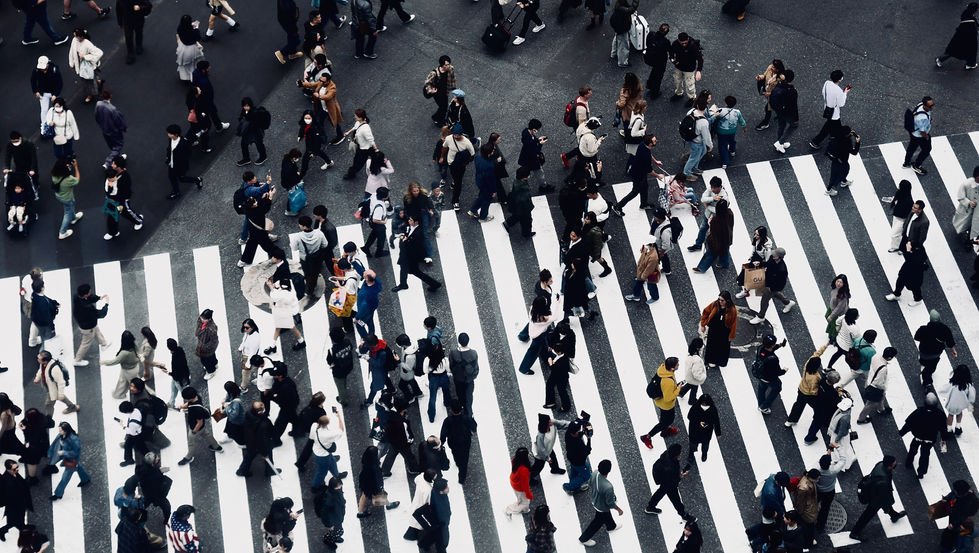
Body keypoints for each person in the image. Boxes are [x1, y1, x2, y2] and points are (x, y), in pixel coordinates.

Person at [848, 455, 907, 540]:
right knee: (867, 515)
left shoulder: (880, 464)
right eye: (894, 463)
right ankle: (854, 533)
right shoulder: (884, 481)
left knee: (887, 504)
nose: (896, 464)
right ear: (890, 466)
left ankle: (894, 516)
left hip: (875, 491)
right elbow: (883, 498)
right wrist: (886, 508)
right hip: (876, 499)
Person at [900, 392, 950, 478]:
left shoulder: (919, 411)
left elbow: (909, 423)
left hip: (918, 436)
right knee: (925, 455)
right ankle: (921, 472)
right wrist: (943, 443)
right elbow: (943, 430)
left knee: (912, 449)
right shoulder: (940, 414)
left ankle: (909, 462)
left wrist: (902, 432)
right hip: (929, 439)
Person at [578, 459, 623, 546]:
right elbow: (610, 503)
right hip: (601, 506)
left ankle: (611, 526)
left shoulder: (595, 473)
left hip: (595, 500)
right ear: (609, 471)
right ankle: (584, 538)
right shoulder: (608, 487)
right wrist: (619, 510)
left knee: (606, 515)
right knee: (598, 522)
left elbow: (590, 483)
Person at [391, 215, 442, 292]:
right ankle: (403, 284)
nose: (409, 221)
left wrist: (405, 240)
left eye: (411, 220)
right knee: (404, 269)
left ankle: (434, 284)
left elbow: (414, 246)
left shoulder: (418, 233)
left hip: (410, 256)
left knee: (415, 272)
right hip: (406, 254)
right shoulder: (411, 227)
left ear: (416, 222)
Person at [646, 444, 696, 521]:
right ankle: (684, 515)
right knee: (676, 500)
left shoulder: (666, 455)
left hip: (663, 478)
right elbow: (674, 479)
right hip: (669, 483)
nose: (680, 453)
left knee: (661, 492)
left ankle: (650, 507)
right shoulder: (671, 467)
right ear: (676, 455)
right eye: (679, 452)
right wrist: (681, 476)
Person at [640, 357, 682, 448]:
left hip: (659, 401)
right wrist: (678, 389)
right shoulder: (668, 382)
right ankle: (648, 437)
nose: (679, 365)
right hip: (666, 405)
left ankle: (665, 431)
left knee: (665, 419)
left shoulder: (662, 369)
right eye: (677, 365)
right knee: (667, 420)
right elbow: (668, 398)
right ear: (672, 368)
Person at [176, 386, 222, 466]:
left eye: (185, 398)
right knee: (207, 434)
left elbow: (199, 422)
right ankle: (216, 447)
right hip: (201, 427)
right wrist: (182, 406)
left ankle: (188, 457)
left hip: (195, 427)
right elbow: (189, 404)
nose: (185, 400)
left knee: (191, 443)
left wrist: (194, 431)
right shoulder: (197, 397)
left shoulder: (195, 410)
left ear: (189, 398)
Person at [912, 310, 957, 386]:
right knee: (932, 365)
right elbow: (950, 342)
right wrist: (953, 350)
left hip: (924, 352)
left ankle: (925, 373)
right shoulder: (945, 329)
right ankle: (929, 372)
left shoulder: (923, 329)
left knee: (923, 362)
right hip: (936, 353)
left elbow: (916, 338)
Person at [808, 69, 851, 149]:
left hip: (827, 107)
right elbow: (841, 104)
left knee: (830, 124)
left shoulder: (827, 83)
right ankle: (816, 141)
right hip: (834, 113)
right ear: (840, 79)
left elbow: (823, 93)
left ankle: (832, 135)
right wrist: (845, 93)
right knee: (830, 126)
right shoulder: (838, 91)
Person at [237, 402, 280, 477]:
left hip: (250, 442)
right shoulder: (263, 424)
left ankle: (242, 470)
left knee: (249, 456)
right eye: (262, 406)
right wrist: (264, 453)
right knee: (268, 456)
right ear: (259, 412)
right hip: (258, 444)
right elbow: (263, 440)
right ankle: (269, 471)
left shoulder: (249, 414)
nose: (264, 406)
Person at [34, 350, 80, 419]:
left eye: (39, 359)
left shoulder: (55, 369)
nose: (37, 360)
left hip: (53, 388)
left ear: (45, 361)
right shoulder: (43, 364)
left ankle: (49, 420)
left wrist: (60, 393)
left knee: (48, 405)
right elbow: (41, 370)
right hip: (50, 386)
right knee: (59, 397)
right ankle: (72, 407)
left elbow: (61, 382)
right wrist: (37, 378)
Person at [357, 445, 400, 517]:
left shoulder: (366, 460)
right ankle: (388, 505)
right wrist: (380, 487)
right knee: (380, 494)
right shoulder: (374, 467)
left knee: (364, 495)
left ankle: (360, 512)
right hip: (373, 485)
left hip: (365, 482)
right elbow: (377, 479)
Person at [856, 346, 896, 424]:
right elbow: (878, 383)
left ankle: (881, 410)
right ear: (889, 358)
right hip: (874, 388)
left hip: (869, 380)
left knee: (881, 398)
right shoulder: (883, 369)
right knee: (869, 405)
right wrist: (883, 388)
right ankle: (861, 419)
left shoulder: (876, 356)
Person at [692, 199, 733, 272]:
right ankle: (724, 264)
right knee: (725, 251)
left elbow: (712, 230)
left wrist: (709, 223)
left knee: (710, 253)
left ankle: (701, 267)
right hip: (727, 237)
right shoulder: (730, 213)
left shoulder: (716, 220)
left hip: (717, 240)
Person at [699, 291, 737, 368]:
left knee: (722, 347)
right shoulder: (715, 304)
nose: (720, 302)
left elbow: (733, 324)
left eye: (722, 300)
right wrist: (703, 324)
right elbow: (706, 311)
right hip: (714, 329)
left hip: (724, 332)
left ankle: (719, 361)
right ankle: (711, 360)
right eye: (719, 299)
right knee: (711, 346)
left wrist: (731, 335)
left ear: (727, 301)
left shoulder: (732, 310)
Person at [685, 393, 720, 472]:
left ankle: (704, 454)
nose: (704, 403)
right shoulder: (696, 407)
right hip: (695, 430)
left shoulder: (713, 409)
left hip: (705, 432)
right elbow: (689, 416)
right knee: (693, 445)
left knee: (705, 445)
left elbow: (716, 421)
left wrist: (718, 433)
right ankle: (691, 456)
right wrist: (699, 422)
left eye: (705, 402)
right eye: (703, 402)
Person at [937, 3, 978, 69]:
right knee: (972, 50)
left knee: (953, 50)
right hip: (968, 38)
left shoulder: (965, 13)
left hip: (959, 36)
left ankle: (940, 59)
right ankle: (970, 64)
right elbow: (973, 30)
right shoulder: (971, 21)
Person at [0, 460, 33, 541]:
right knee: (12, 523)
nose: (17, 470)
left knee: (20, 519)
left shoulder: (14, 474)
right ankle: (2, 531)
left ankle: (23, 526)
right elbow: (8, 497)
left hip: (20, 504)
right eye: (14, 469)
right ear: (8, 470)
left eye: (17, 467)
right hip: (14, 507)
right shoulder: (7, 481)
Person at [754, 334, 787, 414]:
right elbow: (777, 372)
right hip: (770, 379)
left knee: (761, 389)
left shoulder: (760, 348)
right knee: (777, 388)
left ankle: (760, 404)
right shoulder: (774, 359)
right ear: (772, 345)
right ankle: (764, 406)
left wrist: (779, 345)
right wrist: (784, 370)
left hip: (760, 375)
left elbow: (770, 349)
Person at [31, 57, 64, 135]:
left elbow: (60, 83)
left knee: (58, 108)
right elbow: (33, 81)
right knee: (44, 110)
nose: (42, 69)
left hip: (53, 93)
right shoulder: (36, 71)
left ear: (47, 65)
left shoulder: (55, 70)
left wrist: (55, 94)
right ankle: (44, 126)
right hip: (43, 93)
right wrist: (36, 91)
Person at [669, 32, 703, 107]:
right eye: (682, 43)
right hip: (679, 66)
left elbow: (700, 59)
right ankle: (679, 93)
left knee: (690, 84)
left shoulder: (693, 46)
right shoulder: (676, 43)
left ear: (688, 39)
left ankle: (692, 97)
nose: (684, 44)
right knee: (677, 81)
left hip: (689, 69)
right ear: (679, 41)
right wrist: (672, 58)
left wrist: (698, 71)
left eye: (685, 43)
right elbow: (671, 51)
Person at [824, 125, 860, 196]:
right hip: (842, 161)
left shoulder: (836, 137)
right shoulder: (847, 142)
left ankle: (840, 183)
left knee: (833, 174)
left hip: (835, 159)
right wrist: (857, 143)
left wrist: (849, 134)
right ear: (847, 134)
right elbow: (854, 152)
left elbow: (842, 138)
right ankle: (833, 188)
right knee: (844, 172)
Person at [136, 451, 173, 520]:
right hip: (157, 495)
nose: (158, 458)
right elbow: (159, 485)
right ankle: (166, 520)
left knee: (143, 505)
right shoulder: (156, 474)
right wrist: (159, 471)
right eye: (156, 458)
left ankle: (136, 515)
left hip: (147, 493)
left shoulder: (140, 468)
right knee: (167, 507)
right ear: (153, 463)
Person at [903, 96, 935, 175]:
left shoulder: (920, 105)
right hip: (919, 136)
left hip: (913, 132)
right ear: (924, 105)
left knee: (912, 147)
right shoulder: (922, 118)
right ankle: (917, 165)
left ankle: (907, 162)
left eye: (933, 104)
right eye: (930, 106)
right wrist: (926, 137)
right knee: (927, 149)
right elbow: (922, 131)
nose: (932, 107)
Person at [269, 367, 301, 444]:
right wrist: (275, 395)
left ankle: (276, 441)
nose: (273, 376)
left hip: (287, 406)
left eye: (275, 375)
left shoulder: (287, 387)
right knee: (294, 418)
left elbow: (279, 398)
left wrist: (275, 396)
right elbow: (274, 389)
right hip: (289, 405)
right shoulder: (279, 380)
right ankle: (297, 432)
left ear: (280, 376)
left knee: (280, 424)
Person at [503, 166, 535, 237]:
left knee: (517, 216)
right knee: (527, 221)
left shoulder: (517, 181)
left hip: (517, 206)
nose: (529, 176)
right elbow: (524, 201)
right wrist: (529, 209)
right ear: (524, 177)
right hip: (523, 208)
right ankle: (526, 234)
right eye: (528, 175)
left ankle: (508, 223)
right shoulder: (523, 188)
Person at [315, 476, 346, 550]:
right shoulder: (328, 499)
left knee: (338, 530)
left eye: (340, 485)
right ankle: (328, 540)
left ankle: (334, 538)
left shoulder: (337, 490)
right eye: (337, 486)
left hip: (338, 515)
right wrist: (329, 524)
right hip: (333, 519)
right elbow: (324, 514)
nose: (339, 487)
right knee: (336, 531)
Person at [563, 419, 592, 493]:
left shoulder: (568, 434)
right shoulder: (577, 444)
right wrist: (589, 438)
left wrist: (583, 422)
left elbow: (577, 422)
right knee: (587, 475)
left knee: (575, 471)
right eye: (577, 431)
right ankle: (569, 486)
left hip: (572, 458)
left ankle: (575, 484)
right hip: (579, 462)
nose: (579, 432)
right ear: (574, 433)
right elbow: (587, 451)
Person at [946, 365, 976, 436]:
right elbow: (971, 395)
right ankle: (958, 427)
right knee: (959, 413)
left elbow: (946, 389)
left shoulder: (953, 383)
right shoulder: (968, 386)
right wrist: (970, 402)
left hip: (952, 404)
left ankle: (949, 429)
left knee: (951, 415)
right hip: (961, 404)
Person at [504, 447, 534, 517]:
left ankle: (525, 510)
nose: (529, 454)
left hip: (514, 482)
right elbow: (525, 485)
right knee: (525, 503)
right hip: (519, 487)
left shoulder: (515, 460)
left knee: (521, 499)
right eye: (527, 453)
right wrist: (528, 494)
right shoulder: (524, 470)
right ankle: (509, 511)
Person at [175, 15, 205, 83]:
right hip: (192, 49)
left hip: (182, 47)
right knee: (194, 64)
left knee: (185, 64)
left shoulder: (179, 28)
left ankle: (185, 77)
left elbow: (181, 32)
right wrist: (196, 28)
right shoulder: (193, 32)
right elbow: (198, 38)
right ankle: (193, 78)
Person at [888, 179, 914, 252]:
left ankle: (897, 247)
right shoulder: (900, 193)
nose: (898, 186)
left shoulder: (909, 201)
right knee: (896, 234)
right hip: (896, 216)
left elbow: (908, 213)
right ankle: (899, 246)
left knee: (894, 234)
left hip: (902, 220)